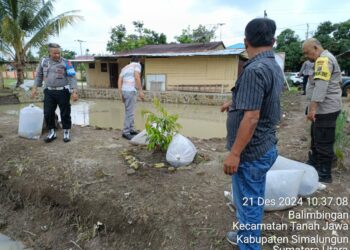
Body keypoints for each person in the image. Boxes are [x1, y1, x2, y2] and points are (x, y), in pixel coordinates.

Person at [220, 18, 283, 249]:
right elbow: (261, 100)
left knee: (249, 203)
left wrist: (235, 153)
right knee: (251, 198)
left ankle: (249, 243)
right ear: (273, 40)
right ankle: (246, 233)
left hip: (251, 153)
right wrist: (235, 102)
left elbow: (253, 116)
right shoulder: (272, 64)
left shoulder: (254, 69)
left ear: (246, 41)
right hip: (264, 145)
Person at [302, 38, 342, 183]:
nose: (307, 56)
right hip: (323, 109)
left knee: (323, 140)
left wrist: (312, 108)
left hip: (326, 109)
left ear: (315, 47)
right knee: (316, 137)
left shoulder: (323, 60)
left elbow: (321, 87)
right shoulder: (325, 59)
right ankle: (314, 164)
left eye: (308, 52)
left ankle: (324, 173)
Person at [32, 43, 78, 143]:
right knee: (48, 112)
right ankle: (51, 132)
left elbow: (72, 77)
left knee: (65, 112)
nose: (57, 55)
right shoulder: (44, 62)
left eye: (59, 53)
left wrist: (74, 91)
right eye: (55, 53)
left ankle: (66, 131)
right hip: (49, 91)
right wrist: (35, 87)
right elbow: (39, 75)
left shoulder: (66, 62)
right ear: (49, 52)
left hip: (63, 91)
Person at [118, 56, 145, 140]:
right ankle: (126, 132)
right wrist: (140, 91)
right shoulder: (137, 65)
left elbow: (119, 80)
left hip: (125, 91)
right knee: (130, 112)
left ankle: (131, 129)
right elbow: (137, 77)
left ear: (130, 61)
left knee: (129, 111)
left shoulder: (125, 67)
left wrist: (120, 94)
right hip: (130, 91)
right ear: (138, 61)